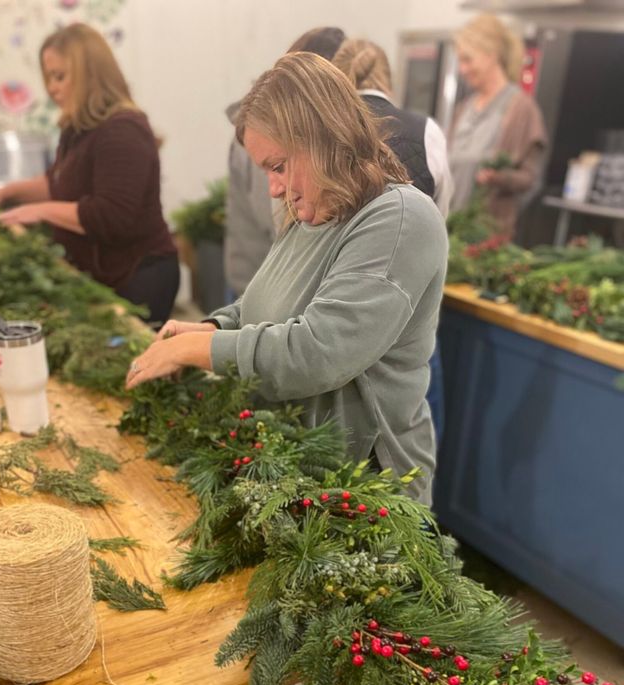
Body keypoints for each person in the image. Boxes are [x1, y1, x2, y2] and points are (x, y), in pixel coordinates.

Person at [126, 53, 448, 506]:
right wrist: (214, 328)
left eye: (278, 166)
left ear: (323, 139)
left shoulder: (399, 219)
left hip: (362, 490)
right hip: (293, 470)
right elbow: (264, 303)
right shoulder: (310, 213)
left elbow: (318, 352)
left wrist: (195, 350)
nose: (273, 188)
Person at [0, 23, 179, 324]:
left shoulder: (123, 130)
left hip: (140, 278)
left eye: (60, 76)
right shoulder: (78, 127)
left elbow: (111, 215)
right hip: (104, 276)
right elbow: (57, 182)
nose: (52, 88)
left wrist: (40, 211)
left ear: (90, 73)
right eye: (48, 78)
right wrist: (8, 193)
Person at [333, 37, 452, 446]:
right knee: (410, 423)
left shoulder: (327, 132)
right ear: (388, 77)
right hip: (407, 304)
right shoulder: (425, 131)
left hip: (340, 307)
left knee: (343, 431)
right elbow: (440, 216)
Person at [224, 26, 346, 299]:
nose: (276, 189)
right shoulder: (268, 134)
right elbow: (277, 219)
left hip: (260, 284)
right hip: (261, 285)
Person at [448, 13, 547, 239]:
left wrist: (499, 178)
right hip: (450, 226)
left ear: (491, 55)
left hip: (486, 237)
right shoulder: (463, 108)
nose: (462, 69)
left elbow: (531, 179)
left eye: (468, 59)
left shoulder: (522, 109)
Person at [332, 37, 453, 217]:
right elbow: (441, 209)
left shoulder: (324, 128)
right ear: (389, 78)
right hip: (414, 241)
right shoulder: (427, 131)